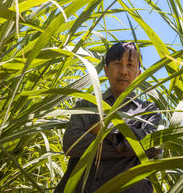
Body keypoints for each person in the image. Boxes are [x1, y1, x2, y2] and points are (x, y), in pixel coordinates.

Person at [55, 42, 161, 192]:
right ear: (106, 70)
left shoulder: (149, 110)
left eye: (130, 65)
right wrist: (132, 145)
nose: (124, 71)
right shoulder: (87, 104)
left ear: (138, 73)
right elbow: (71, 143)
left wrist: (103, 132)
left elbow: (154, 144)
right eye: (118, 64)